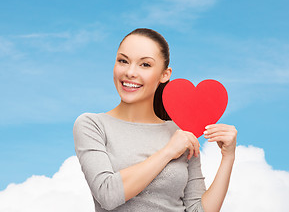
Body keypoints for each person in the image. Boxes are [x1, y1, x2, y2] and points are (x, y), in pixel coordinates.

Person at [73, 28, 237, 212]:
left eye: (145, 65)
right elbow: (107, 195)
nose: (130, 72)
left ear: (164, 75)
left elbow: (197, 210)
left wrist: (228, 157)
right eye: (123, 61)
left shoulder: (181, 132)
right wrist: (168, 151)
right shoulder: (92, 125)